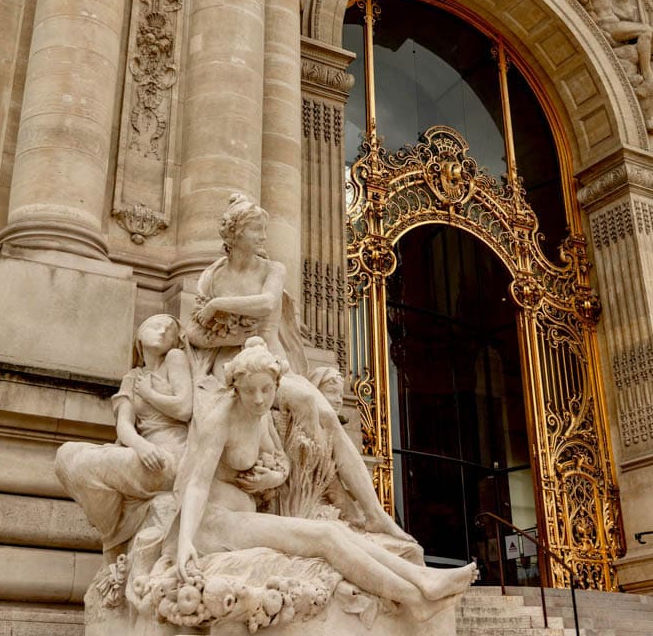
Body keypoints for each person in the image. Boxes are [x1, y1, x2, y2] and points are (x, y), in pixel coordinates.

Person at [176, 337, 477, 622]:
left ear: (276, 385)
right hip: (214, 523)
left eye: (267, 390)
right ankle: (417, 594)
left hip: (241, 516)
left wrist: (273, 478)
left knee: (335, 531)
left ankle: (422, 582)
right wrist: (185, 542)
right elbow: (197, 483)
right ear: (235, 388)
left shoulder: (261, 415)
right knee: (326, 537)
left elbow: (280, 462)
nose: (259, 399)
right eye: (250, 391)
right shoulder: (220, 420)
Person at [186, 193, 413, 543]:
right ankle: (334, 497)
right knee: (309, 405)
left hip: (277, 370)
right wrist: (222, 331)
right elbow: (194, 333)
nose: (264, 237)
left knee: (322, 412)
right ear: (235, 235)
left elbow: (265, 304)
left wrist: (219, 306)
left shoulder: (272, 270)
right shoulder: (212, 276)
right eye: (257, 230)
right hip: (232, 372)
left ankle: (372, 513)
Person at [55, 314, 192, 559]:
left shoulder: (175, 358)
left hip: (172, 456)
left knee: (86, 465)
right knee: (65, 455)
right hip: (146, 452)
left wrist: (148, 394)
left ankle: (111, 542)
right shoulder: (132, 377)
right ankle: (114, 535)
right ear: (139, 337)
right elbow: (124, 426)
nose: (162, 331)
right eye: (155, 325)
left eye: (169, 329)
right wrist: (141, 446)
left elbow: (184, 408)